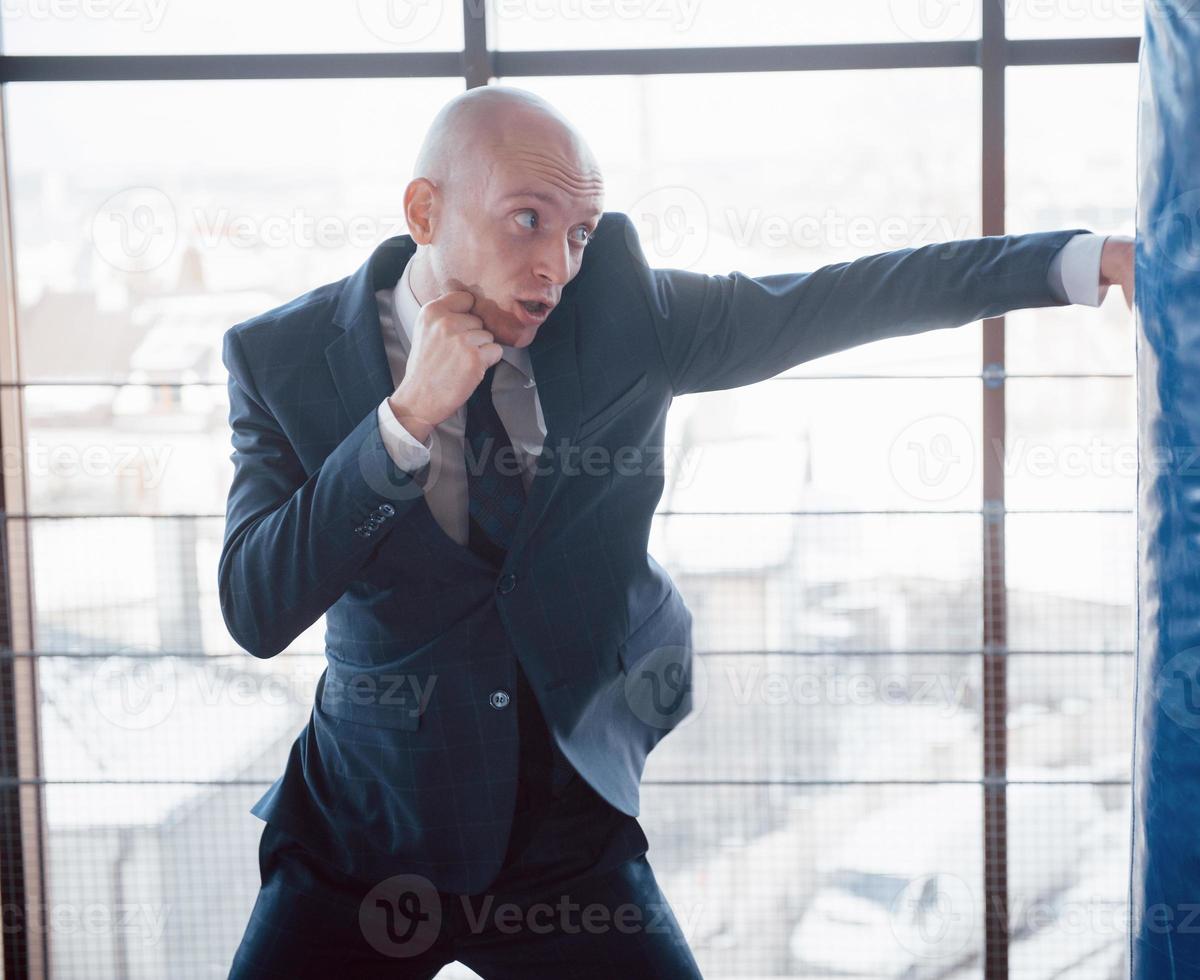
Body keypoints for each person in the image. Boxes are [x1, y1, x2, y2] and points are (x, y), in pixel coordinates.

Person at [221, 85, 1134, 977]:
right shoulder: (280, 359)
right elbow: (256, 607)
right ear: (425, 209)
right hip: (366, 832)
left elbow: (841, 297)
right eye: (527, 220)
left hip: (561, 835)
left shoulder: (624, 318)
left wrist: (1080, 261)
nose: (557, 267)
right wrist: (407, 416)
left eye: (579, 233)